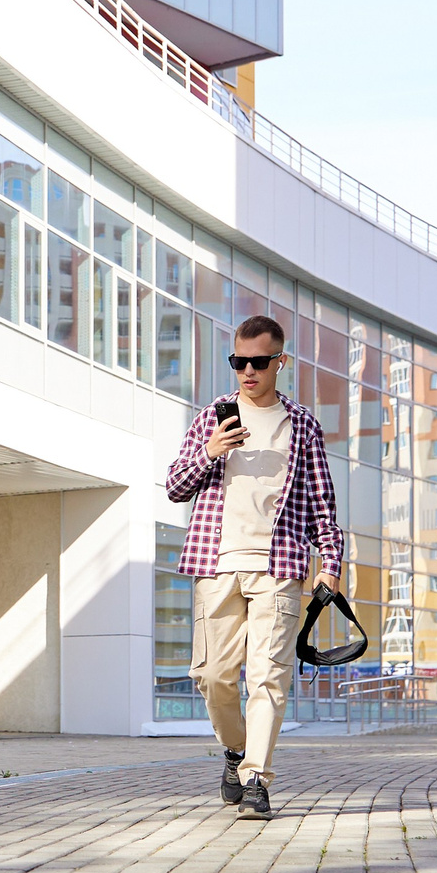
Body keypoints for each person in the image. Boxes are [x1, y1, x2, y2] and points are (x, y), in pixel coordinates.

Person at [165, 315, 345, 818]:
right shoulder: (212, 417)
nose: (248, 371)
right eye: (239, 362)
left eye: (259, 362)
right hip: (216, 565)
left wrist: (329, 564)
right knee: (213, 677)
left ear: (279, 363)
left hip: (280, 566)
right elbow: (175, 485)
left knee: (267, 678)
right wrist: (210, 453)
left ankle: (257, 780)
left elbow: (321, 506)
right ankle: (236, 752)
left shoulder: (302, 425)